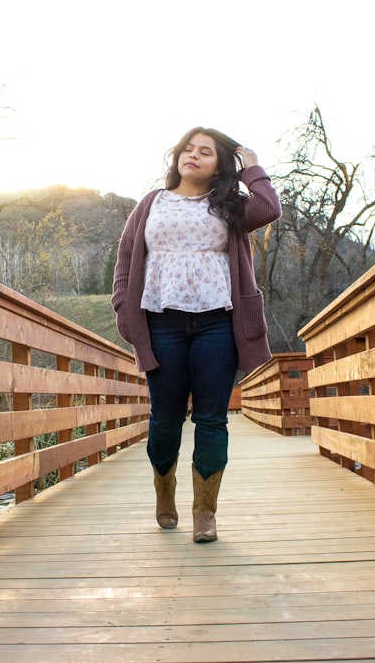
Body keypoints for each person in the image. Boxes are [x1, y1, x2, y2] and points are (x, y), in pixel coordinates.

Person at [112, 127, 282, 542]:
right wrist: (123, 305)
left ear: (220, 164)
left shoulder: (229, 205)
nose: (193, 155)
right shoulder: (152, 202)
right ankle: (164, 493)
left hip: (217, 322)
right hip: (161, 322)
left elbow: (269, 208)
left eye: (205, 151)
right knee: (165, 419)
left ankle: (205, 511)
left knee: (211, 418)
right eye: (188, 148)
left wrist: (252, 167)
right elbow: (126, 256)